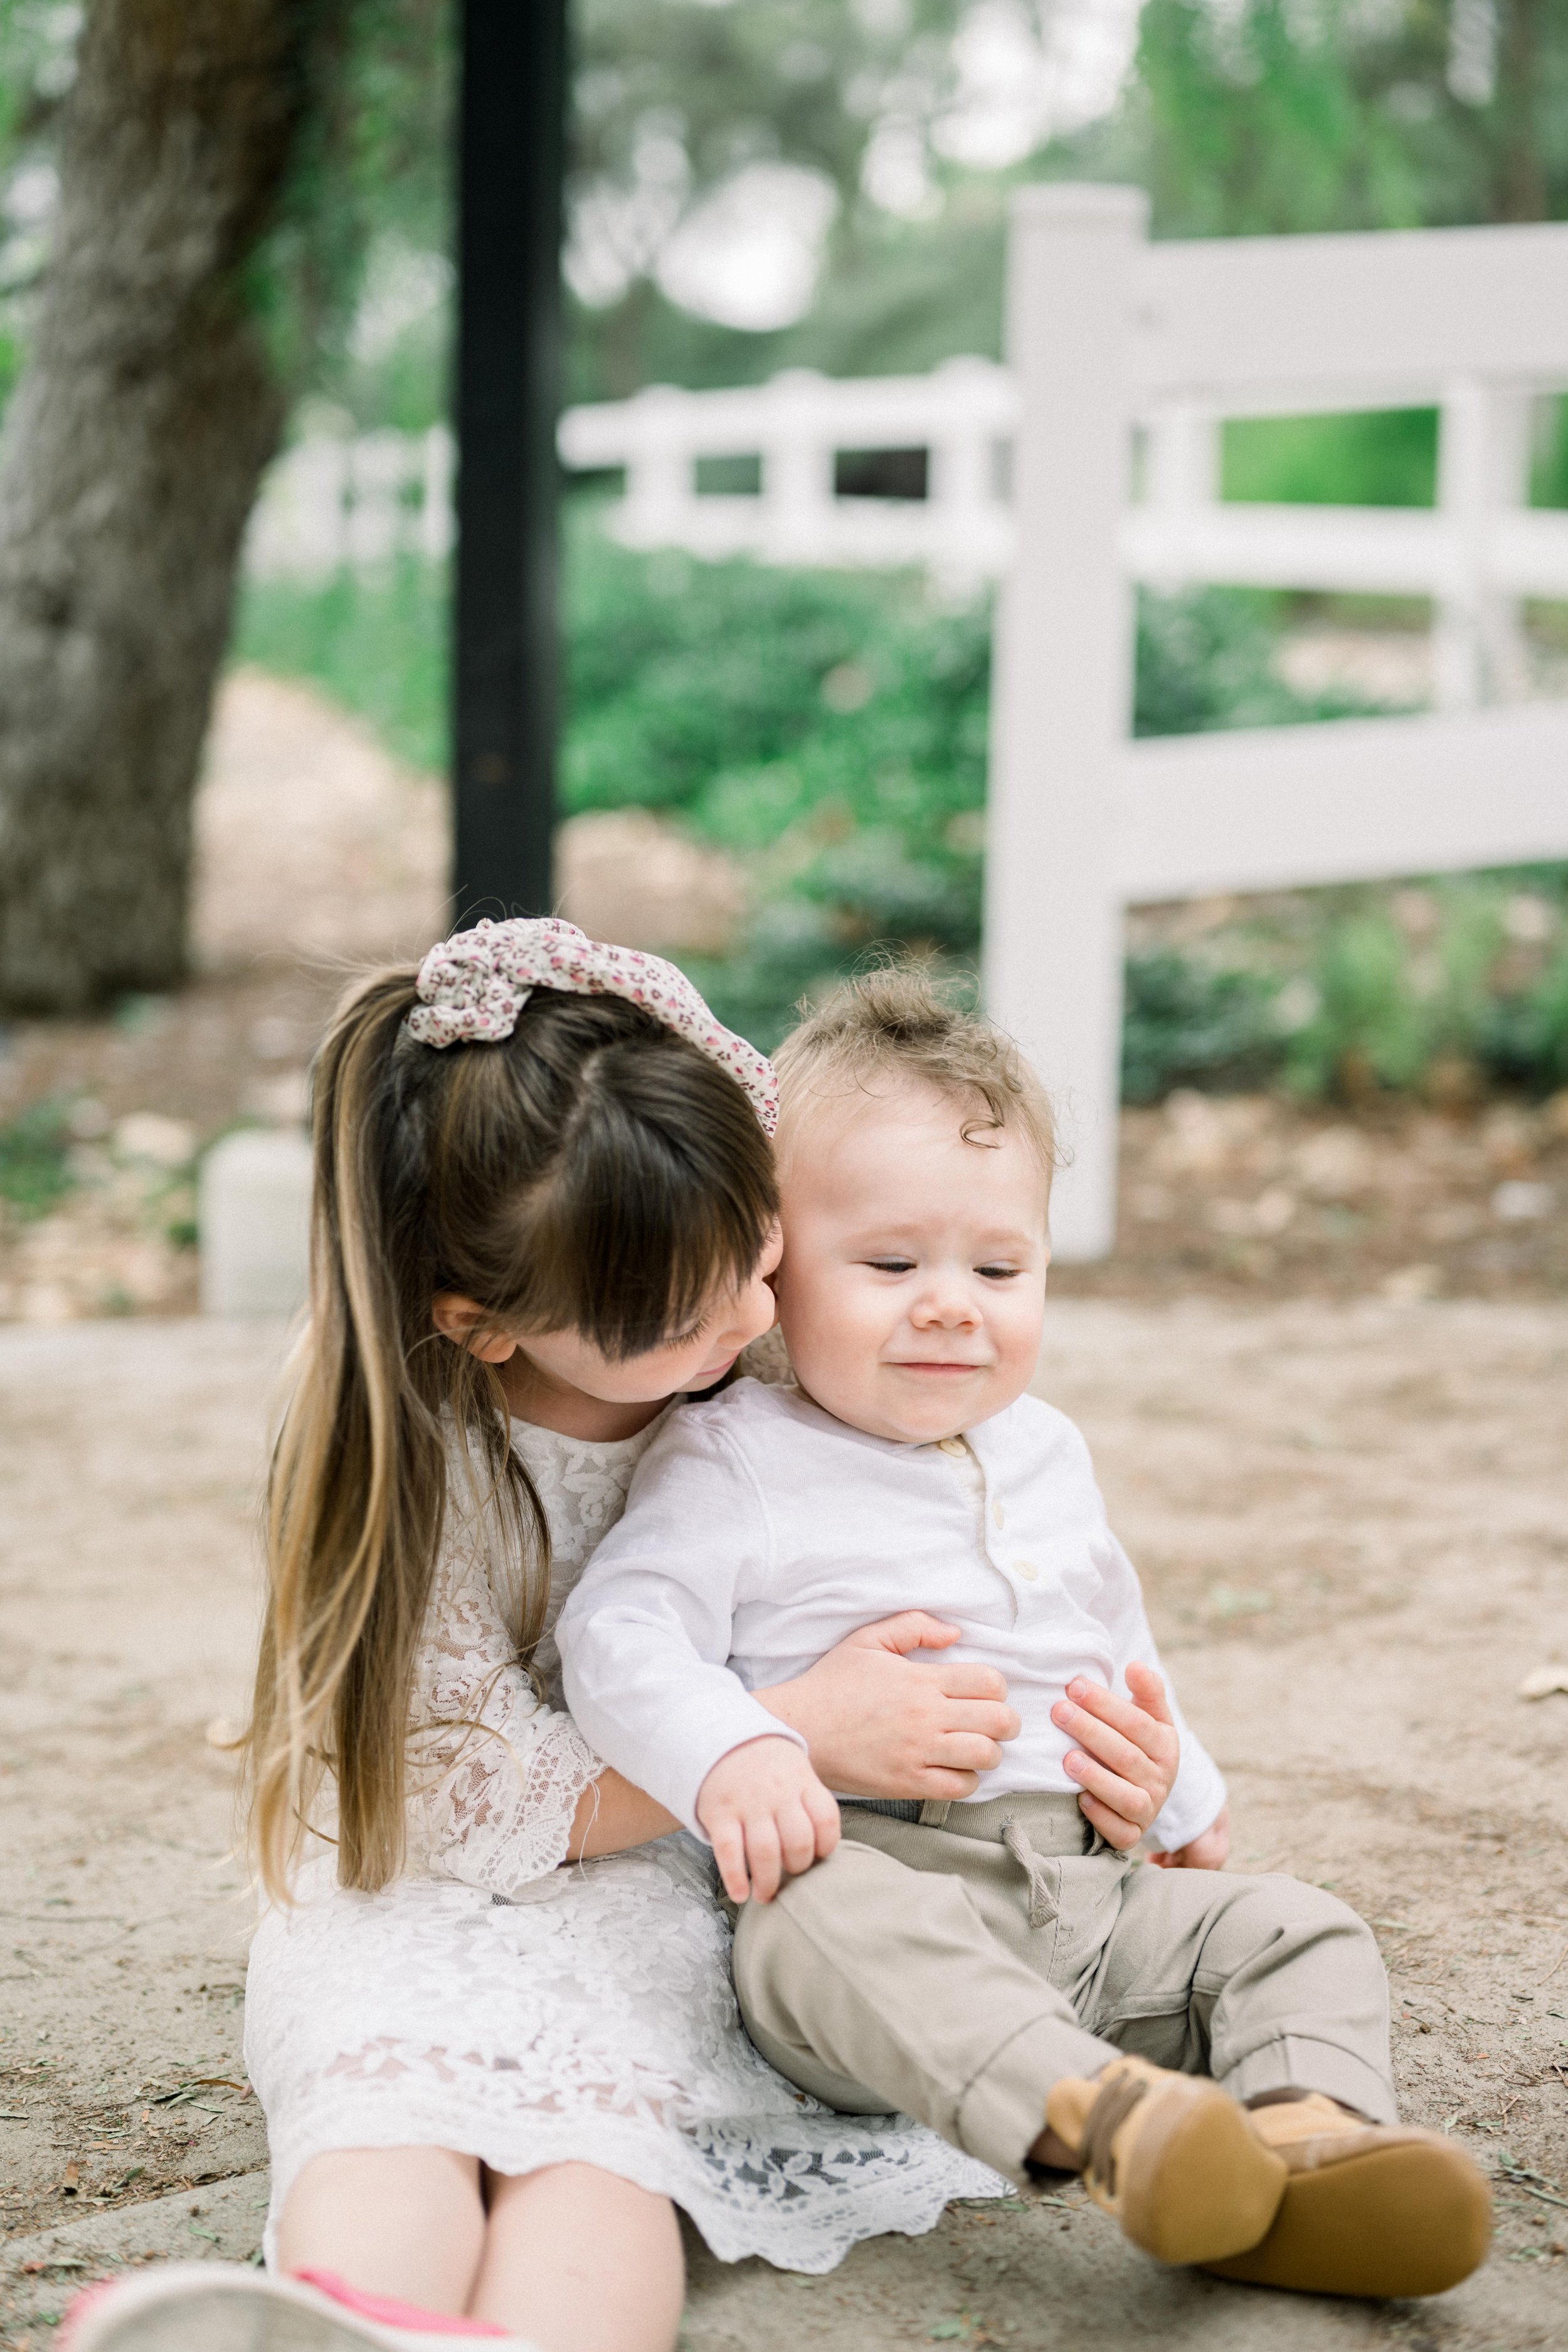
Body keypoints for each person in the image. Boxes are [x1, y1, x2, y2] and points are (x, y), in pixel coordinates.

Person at [68, 921, 1098, 2352]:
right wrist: (787, 1728)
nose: (749, 1322)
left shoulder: (764, 1389)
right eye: (684, 1315)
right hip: (417, 1865)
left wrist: (1119, 1742)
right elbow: (446, 1789)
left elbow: (965, 1579)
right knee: (386, 2085)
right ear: (485, 1324)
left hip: (661, 1876)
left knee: (595, 2128)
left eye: (758, 1259)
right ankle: (336, 2324)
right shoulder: (419, 1458)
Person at [558, 967, 1492, 2304]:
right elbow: (621, 1630)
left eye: (998, 1266)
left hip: (1086, 1899)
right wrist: (735, 1748)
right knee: (806, 1932)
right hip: (872, 1869)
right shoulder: (736, 1457)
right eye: (888, 1265)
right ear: (770, 1263)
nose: (951, 1302)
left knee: (1296, 1927)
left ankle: (1305, 2148)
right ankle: (1107, 2124)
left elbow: (1113, 1633)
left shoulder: (1044, 1448)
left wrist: (1182, 1782)